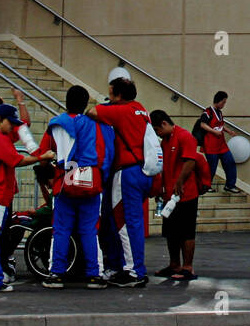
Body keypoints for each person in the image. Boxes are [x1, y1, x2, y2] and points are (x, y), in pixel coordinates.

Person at [0, 104, 51, 292]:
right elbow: (17, 160)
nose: (13, 127)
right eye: (10, 123)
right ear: (0, 120)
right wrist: (41, 156)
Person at [38, 85, 114, 289]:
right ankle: (94, 275)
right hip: (91, 179)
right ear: (85, 103)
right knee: (90, 229)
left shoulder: (56, 124)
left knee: (61, 229)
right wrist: (102, 177)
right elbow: (107, 153)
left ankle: (56, 274)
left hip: (65, 179)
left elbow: (44, 154)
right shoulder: (98, 124)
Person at [86, 77, 154, 287]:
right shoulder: (141, 110)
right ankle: (125, 266)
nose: (110, 98)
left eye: (111, 94)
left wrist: (106, 105)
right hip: (143, 170)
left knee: (125, 222)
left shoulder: (121, 110)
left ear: (119, 95)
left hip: (126, 172)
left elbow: (92, 112)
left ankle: (134, 271)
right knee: (128, 221)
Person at [153, 109, 200, 280]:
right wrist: (161, 188)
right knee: (171, 231)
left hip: (186, 194)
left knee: (186, 232)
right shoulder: (165, 141)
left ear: (165, 123)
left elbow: (190, 161)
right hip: (169, 195)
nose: (158, 134)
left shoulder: (185, 136)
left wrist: (180, 181)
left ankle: (188, 267)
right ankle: (174, 264)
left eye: (158, 130)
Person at [198, 91, 241, 193]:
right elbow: (202, 124)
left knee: (229, 162)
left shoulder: (220, 113)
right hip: (211, 144)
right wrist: (214, 132)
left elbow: (220, 124)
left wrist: (228, 131)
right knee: (212, 166)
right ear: (218, 101)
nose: (224, 104)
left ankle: (230, 185)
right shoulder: (208, 112)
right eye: (223, 102)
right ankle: (207, 186)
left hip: (221, 144)